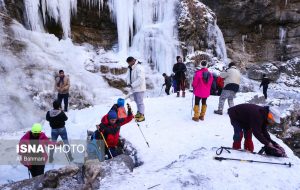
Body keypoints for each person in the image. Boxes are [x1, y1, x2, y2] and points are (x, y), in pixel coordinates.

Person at [126, 56, 146, 122]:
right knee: (137, 101)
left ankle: (142, 115)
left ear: (133, 61)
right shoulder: (130, 68)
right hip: (134, 88)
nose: (129, 64)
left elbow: (141, 79)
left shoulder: (139, 67)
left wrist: (132, 85)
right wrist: (128, 83)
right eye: (128, 63)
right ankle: (139, 113)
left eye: (129, 63)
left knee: (140, 102)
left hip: (139, 88)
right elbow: (128, 76)